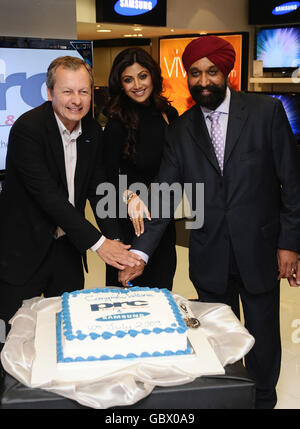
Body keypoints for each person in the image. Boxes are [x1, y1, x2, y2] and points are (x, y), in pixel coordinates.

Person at [118, 36, 300, 409]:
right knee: (216, 338)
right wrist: (139, 252)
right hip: (209, 253)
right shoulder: (181, 130)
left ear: (227, 72)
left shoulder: (266, 112)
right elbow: (165, 194)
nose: (203, 82)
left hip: (261, 249)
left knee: (263, 335)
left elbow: (292, 184)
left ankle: (264, 400)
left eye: (211, 72)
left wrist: (290, 244)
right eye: (195, 74)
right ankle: (229, 399)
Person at [0, 56, 141, 336]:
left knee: (67, 333)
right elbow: (48, 198)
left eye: (83, 91)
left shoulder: (91, 130)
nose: (76, 100)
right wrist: (100, 244)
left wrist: (117, 246)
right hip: (22, 252)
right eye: (67, 91)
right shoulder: (28, 129)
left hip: (66, 250)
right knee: (12, 338)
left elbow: (98, 190)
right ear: (50, 92)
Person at [103, 47, 178, 290]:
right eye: (128, 79)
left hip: (162, 221)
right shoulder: (116, 122)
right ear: (120, 84)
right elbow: (104, 176)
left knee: (162, 293)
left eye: (142, 76)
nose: (137, 84)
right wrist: (128, 195)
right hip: (130, 221)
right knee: (127, 301)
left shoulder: (169, 114)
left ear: (153, 76)